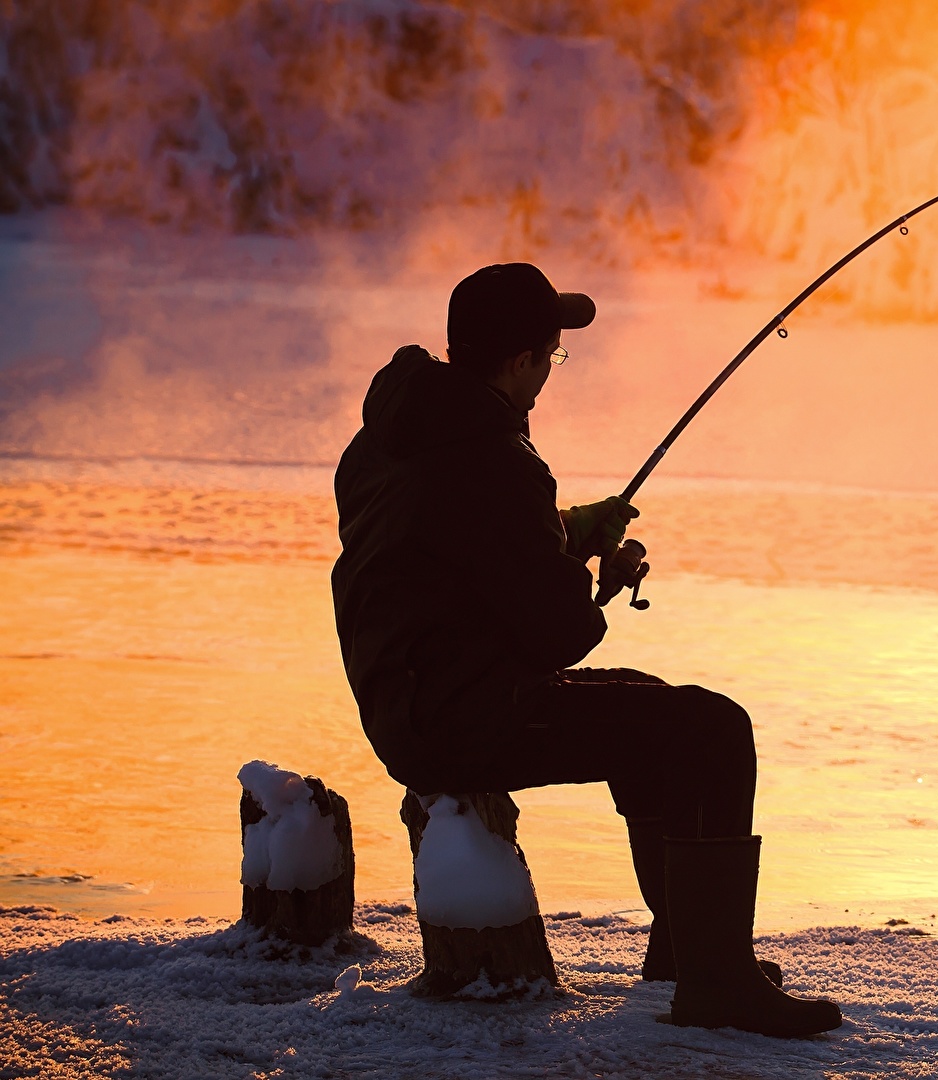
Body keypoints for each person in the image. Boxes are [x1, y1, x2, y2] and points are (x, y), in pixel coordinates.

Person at [330, 262, 840, 1037]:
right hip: (457, 715)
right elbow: (560, 634)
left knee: (649, 702)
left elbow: (453, 550)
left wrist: (562, 532)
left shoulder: (392, 435)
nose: (550, 373)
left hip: (407, 694)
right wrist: (597, 570)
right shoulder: (496, 458)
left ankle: (687, 956)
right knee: (713, 729)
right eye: (552, 355)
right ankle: (716, 983)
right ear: (519, 361)